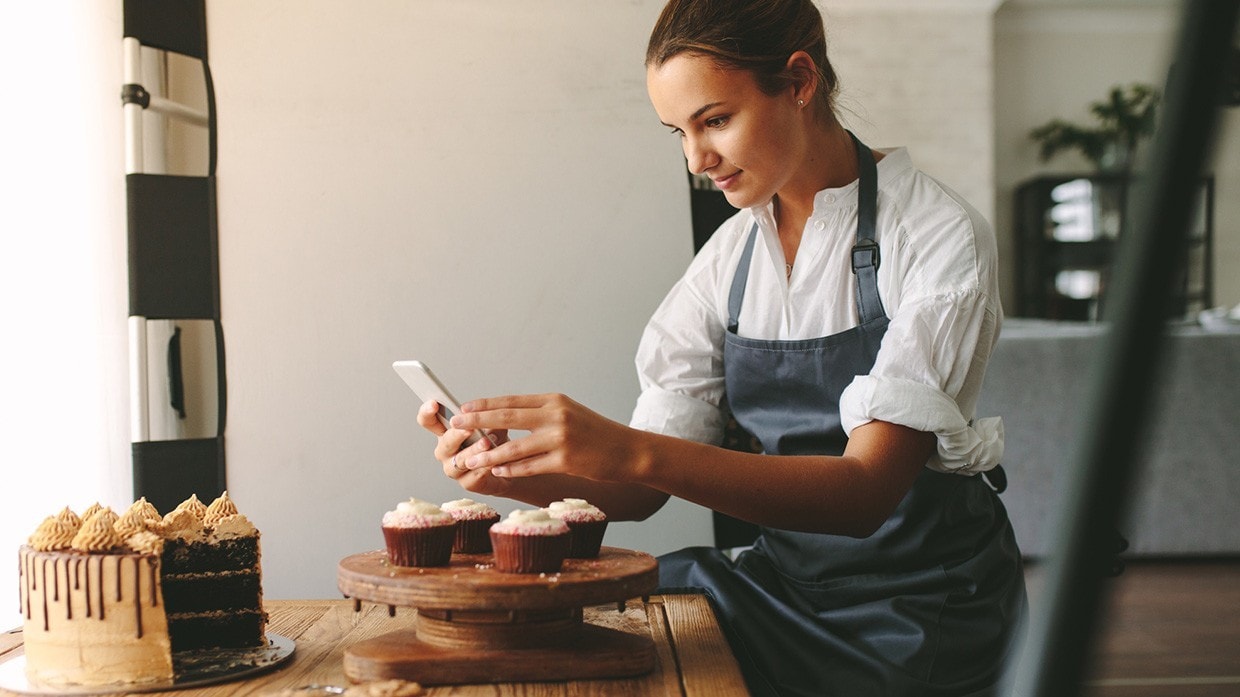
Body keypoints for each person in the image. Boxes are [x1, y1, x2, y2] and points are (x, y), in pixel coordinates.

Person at [416, 0, 1026, 694]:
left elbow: (864, 493)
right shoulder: (730, 259)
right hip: (782, 584)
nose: (696, 160)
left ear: (799, 81)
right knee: (580, 628)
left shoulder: (938, 236)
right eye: (678, 131)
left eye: (715, 121)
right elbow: (642, 491)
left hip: (919, 608)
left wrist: (623, 444)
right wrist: (507, 471)